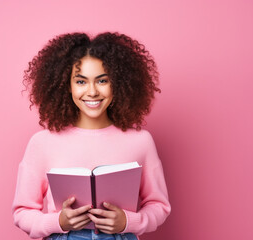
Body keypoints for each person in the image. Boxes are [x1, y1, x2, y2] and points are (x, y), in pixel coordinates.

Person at [12, 32, 171, 240]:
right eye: (81, 82)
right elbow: (22, 212)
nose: (92, 91)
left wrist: (128, 222)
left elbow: (159, 206)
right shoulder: (42, 143)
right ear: (66, 85)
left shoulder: (141, 141)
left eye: (102, 80)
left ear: (118, 83)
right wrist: (57, 222)